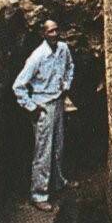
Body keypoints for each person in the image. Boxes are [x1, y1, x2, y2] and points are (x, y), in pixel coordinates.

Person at [12, 19, 75, 211]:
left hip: (58, 102)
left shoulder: (63, 49)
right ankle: (39, 194)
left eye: (57, 30)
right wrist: (31, 106)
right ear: (43, 34)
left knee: (58, 145)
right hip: (43, 106)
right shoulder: (37, 57)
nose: (55, 34)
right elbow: (19, 86)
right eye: (51, 32)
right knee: (43, 151)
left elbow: (70, 67)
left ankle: (58, 182)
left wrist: (66, 86)